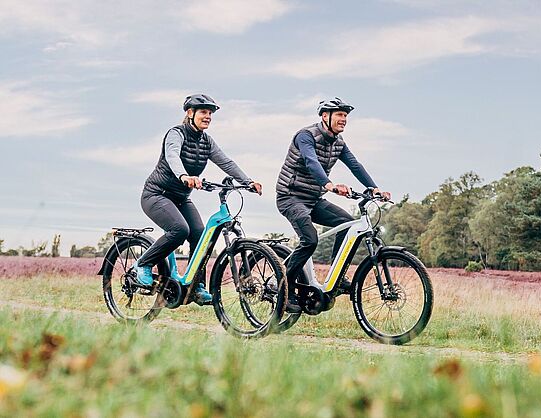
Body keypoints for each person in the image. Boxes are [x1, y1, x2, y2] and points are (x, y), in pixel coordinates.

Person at [133, 93, 262, 305]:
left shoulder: (206, 141)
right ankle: (144, 264)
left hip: (181, 198)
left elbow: (226, 162)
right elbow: (172, 155)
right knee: (179, 230)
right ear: (190, 113)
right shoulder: (176, 134)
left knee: (200, 235)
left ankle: (195, 286)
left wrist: (247, 181)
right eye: (204, 112)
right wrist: (184, 175)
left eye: (210, 113)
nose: (208, 116)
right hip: (156, 194)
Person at [276, 97, 390, 313]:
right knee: (310, 240)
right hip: (291, 196)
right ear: (325, 116)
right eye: (339, 114)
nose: (344, 119)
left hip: (313, 199)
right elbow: (311, 161)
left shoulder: (339, 143)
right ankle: (285, 287)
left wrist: (374, 188)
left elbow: (355, 165)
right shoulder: (306, 136)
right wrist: (329, 184)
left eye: (346, 116)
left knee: (349, 225)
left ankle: (337, 274)